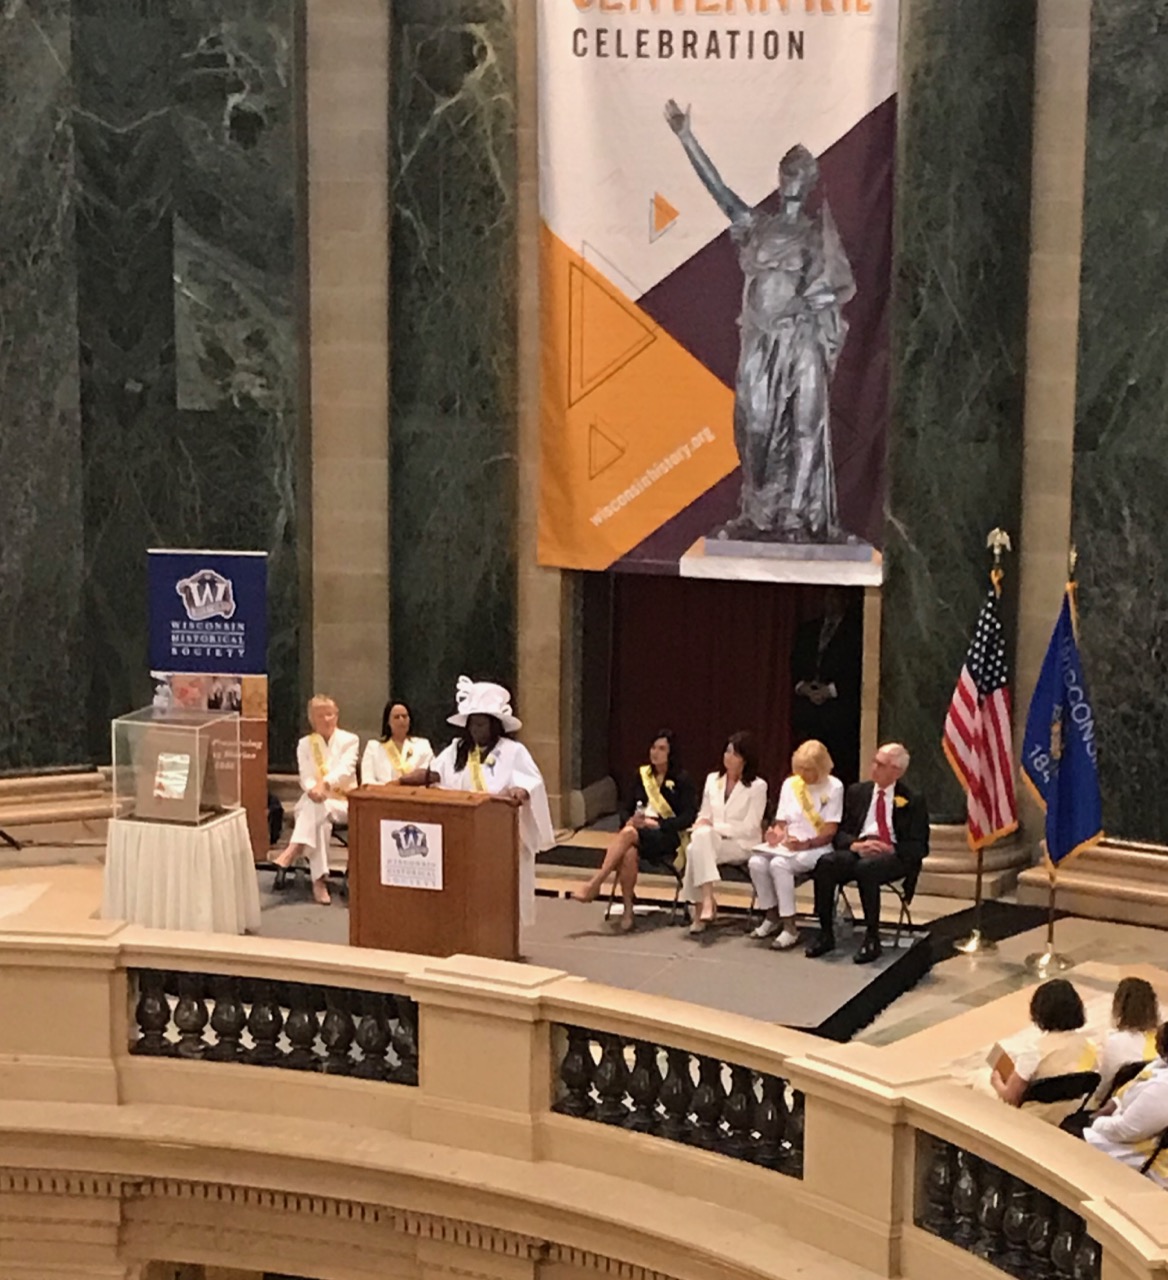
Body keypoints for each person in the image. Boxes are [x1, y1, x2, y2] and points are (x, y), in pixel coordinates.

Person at [664, 101, 855, 544]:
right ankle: (758, 510)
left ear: (808, 185)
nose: (791, 180)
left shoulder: (815, 235)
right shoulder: (758, 226)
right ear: (779, 179)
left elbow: (835, 283)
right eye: (787, 172)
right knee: (755, 424)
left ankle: (792, 515)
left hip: (800, 338)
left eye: (799, 174)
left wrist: (812, 309)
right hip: (760, 340)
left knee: (805, 421)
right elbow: (720, 192)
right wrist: (686, 138)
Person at [424, 676, 555, 928]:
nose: (476, 730)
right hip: (463, 830)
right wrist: (402, 782)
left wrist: (520, 791)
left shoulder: (513, 751)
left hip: (500, 832)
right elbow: (435, 773)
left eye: (481, 724)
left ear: (494, 726)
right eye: (472, 724)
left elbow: (531, 782)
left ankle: (502, 929)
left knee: (501, 887)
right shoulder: (456, 750)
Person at [804, 742, 929, 964]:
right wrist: (855, 845)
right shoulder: (857, 792)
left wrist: (891, 848)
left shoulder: (912, 800)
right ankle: (825, 932)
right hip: (860, 849)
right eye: (874, 761)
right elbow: (840, 833)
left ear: (897, 771)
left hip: (892, 856)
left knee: (867, 870)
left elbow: (920, 846)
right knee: (827, 863)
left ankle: (872, 937)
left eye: (881, 764)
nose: (874, 767)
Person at [571, 730, 696, 932]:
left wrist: (660, 824)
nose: (655, 753)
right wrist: (630, 819)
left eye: (662, 748)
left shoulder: (682, 780)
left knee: (628, 835)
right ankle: (628, 910)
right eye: (653, 747)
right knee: (628, 850)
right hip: (639, 833)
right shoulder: (642, 775)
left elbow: (689, 816)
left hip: (666, 836)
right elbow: (624, 807)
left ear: (671, 753)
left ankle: (595, 883)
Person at [747, 739, 843, 951]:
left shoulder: (835, 786)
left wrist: (805, 844)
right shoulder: (791, 784)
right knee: (756, 862)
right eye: (800, 768)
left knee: (778, 864)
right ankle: (771, 916)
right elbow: (781, 822)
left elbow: (829, 831)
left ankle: (790, 927)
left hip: (816, 848)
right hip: (788, 846)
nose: (803, 774)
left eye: (808, 769)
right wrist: (775, 835)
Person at [272, 694, 359, 905]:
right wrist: (314, 790)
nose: (326, 719)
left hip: (343, 803)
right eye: (321, 716)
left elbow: (345, 769)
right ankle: (319, 881)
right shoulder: (305, 744)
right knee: (321, 823)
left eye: (330, 714)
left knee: (317, 808)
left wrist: (324, 785)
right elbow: (305, 777)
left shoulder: (350, 740)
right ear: (312, 719)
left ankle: (292, 850)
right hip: (315, 801)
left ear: (337, 715)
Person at [685, 731, 768, 934]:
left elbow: (751, 826)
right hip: (712, 840)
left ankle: (702, 907)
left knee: (695, 848)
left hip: (742, 844)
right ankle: (706, 899)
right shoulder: (713, 780)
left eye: (734, 754)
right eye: (727, 751)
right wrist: (702, 823)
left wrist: (715, 828)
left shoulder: (758, 786)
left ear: (745, 760)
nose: (728, 757)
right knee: (699, 841)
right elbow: (704, 813)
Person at [991, 979, 1097, 1125]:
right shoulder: (1089, 1047)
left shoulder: (1033, 1052)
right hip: (1070, 1117)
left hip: (1034, 1120)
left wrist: (996, 1081)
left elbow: (1011, 1098)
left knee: (978, 1081)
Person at [790, 588, 862, 786]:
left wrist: (830, 691)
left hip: (839, 716)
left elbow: (857, 668)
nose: (830, 602)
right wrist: (803, 687)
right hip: (808, 714)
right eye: (827, 596)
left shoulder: (855, 632)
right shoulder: (809, 629)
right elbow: (795, 665)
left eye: (835, 597)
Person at [1085, 1023, 1168, 1187]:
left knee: (1066, 1140)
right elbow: (1131, 1090)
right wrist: (1114, 1103)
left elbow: (1126, 1131)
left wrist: (1096, 1122)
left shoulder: (1163, 1089)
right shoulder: (1160, 1065)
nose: (1155, 1043)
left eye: (1158, 1041)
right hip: (1121, 1125)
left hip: (1140, 1157)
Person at [1093, 978, 1160, 1102]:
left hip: (1123, 1106)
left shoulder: (1115, 1042)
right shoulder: (1163, 1038)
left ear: (1119, 1007)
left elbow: (1103, 1089)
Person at [361, 699, 434, 786]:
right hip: (382, 796)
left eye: (404, 716)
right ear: (388, 722)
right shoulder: (374, 747)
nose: (401, 720)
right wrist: (389, 789)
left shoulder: (422, 745)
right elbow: (367, 780)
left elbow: (428, 776)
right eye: (396, 717)